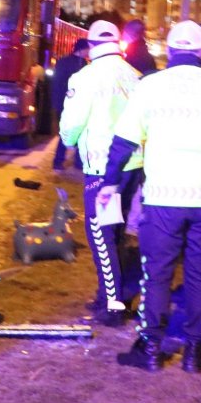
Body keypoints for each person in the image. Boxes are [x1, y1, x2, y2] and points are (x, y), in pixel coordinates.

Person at [100, 20, 201, 372]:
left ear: (169, 51)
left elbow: (123, 141)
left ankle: (151, 348)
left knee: (157, 272)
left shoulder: (150, 86)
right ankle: (194, 352)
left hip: (164, 197)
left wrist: (110, 183)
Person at [58, 24, 141, 325]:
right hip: (132, 166)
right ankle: (109, 294)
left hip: (101, 169)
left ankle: (113, 305)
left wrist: (67, 141)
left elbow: (72, 124)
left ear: (91, 45)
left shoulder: (85, 77)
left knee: (101, 237)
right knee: (115, 231)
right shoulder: (134, 76)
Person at [51, 38, 90, 171]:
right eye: (88, 49)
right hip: (68, 104)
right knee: (69, 133)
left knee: (76, 132)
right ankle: (61, 161)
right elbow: (59, 84)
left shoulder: (81, 63)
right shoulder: (74, 64)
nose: (89, 51)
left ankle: (71, 161)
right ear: (82, 49)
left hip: (73, 104)